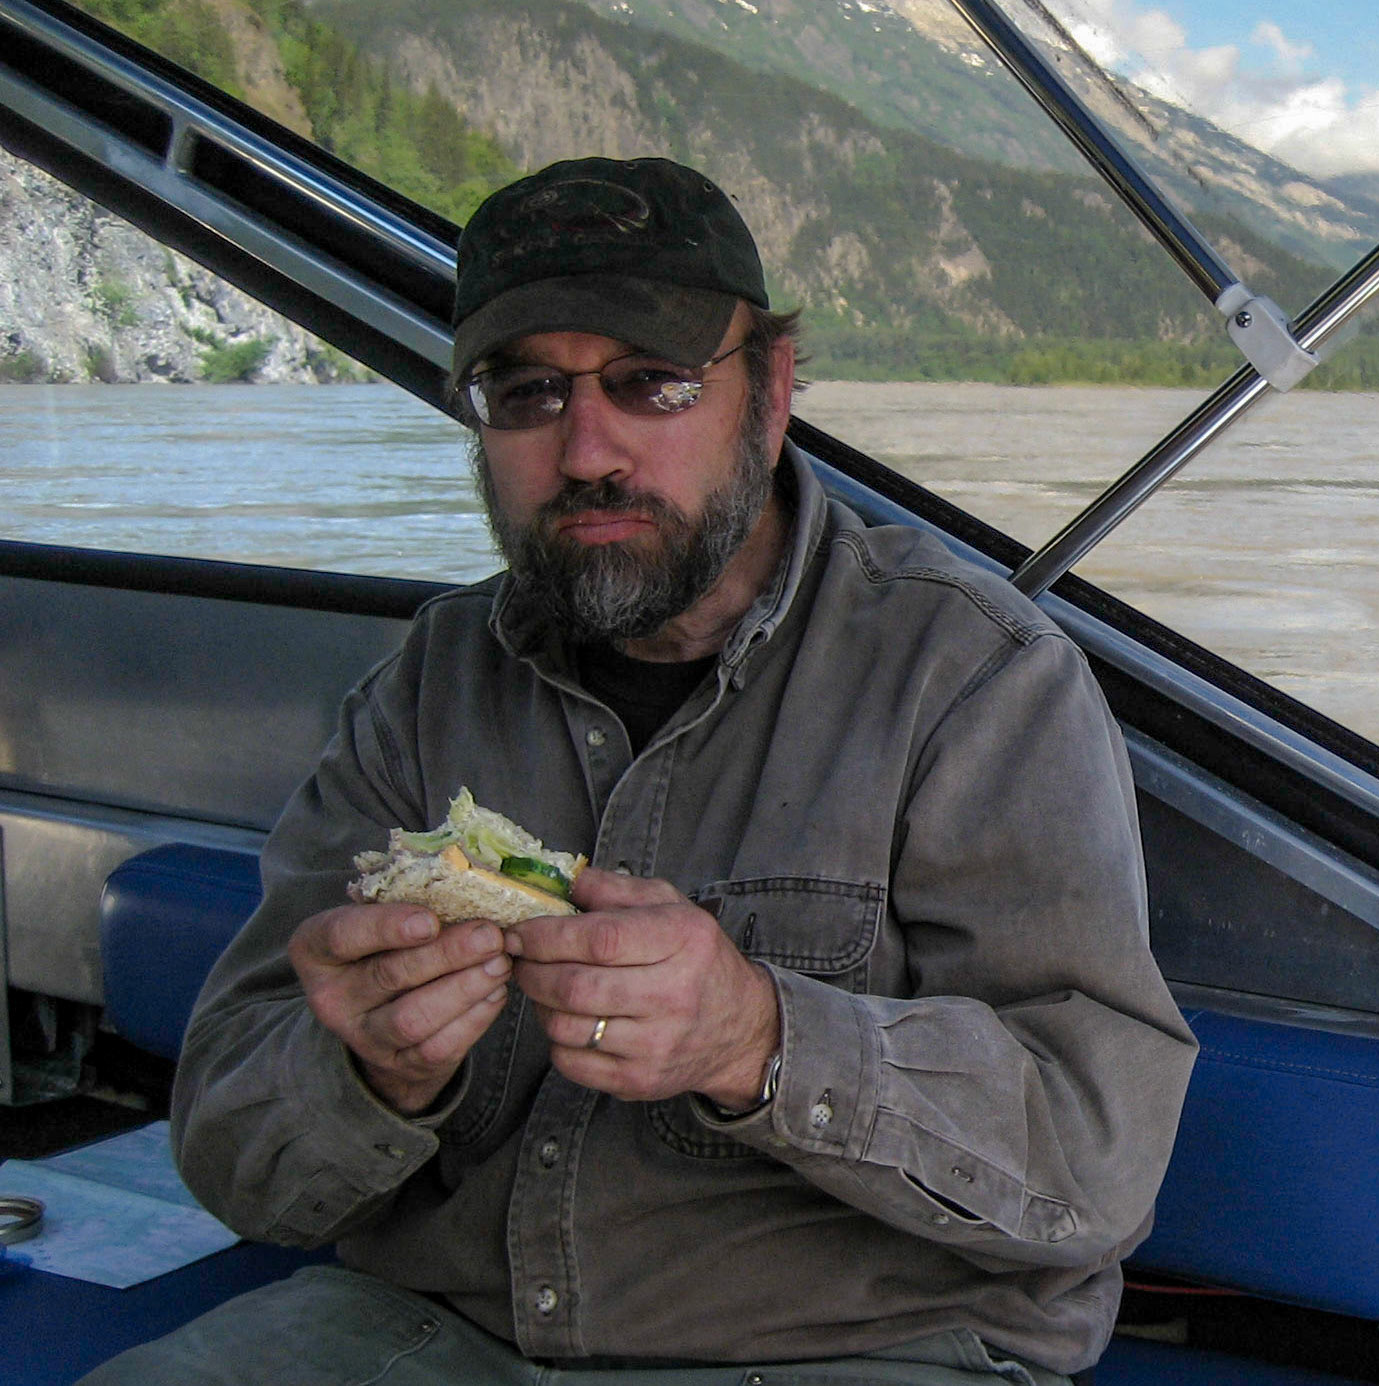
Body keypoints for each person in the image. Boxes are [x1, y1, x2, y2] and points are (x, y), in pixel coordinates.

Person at [85, 156, 1196, 1386]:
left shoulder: (972, 681)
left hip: (848, 1353)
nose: (586, 451)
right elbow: (235, 1159)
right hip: (433, 1336)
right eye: (526, 393)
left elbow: (1098, 1163)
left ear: (769, 394)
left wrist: (756, 1038)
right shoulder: (427, 684)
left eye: (651, 384)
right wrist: (369, 1074)